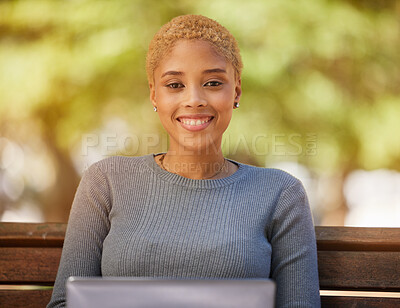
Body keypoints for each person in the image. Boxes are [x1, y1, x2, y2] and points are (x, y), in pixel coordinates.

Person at [47, 15, 320, 307]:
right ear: (154, 94)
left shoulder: (280, 193)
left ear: (236, 91)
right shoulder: (106, 181)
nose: (194, 100)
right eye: (175, 85)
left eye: (213, 83)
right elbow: (65, 303)